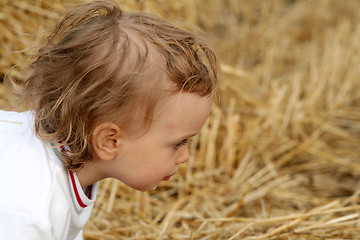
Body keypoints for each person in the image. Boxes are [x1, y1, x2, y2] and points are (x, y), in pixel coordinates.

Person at [0, 0, 219, 239]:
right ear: (109, 141)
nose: (185, 157)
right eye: (178, 143)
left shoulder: (67, 164)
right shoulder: (28, 213)